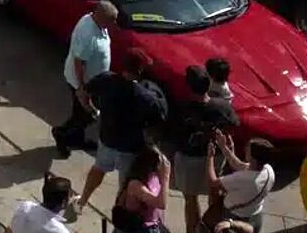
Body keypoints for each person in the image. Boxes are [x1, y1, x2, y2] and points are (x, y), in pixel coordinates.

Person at [79, 50, 170, 213]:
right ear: (140, 70)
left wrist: (93, 111)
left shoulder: (106, 79)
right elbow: (158, 122)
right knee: (127, 186)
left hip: (107, 140)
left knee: (98, 169)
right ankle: (120, 216)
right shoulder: (146, 97)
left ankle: (82, 201)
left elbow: (83, 93)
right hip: (130, 149)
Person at [172, 65, 239, 233]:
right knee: (215, 196)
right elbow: (234, 125)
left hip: (188, 161)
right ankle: (212, 227)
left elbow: (170, 134)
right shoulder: (223, 107)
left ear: (189, 86)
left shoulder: (181, 108)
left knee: (190, 198)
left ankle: (192, 230)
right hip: (215, 158)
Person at [52, 1, 117, 157]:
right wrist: (82, 88)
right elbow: (79, 62)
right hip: (84, 83)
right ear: (100, 17)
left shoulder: (96, 22)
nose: (114, 24)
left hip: (93, 82)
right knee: (87, 115)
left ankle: (77, 139)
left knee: (80, 112)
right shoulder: (88, 34)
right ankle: (62, 134)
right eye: (111, 20)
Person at [206, 137, 276, 233]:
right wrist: (223, 147)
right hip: (255, 215)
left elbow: (213, 182)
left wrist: (210, 157)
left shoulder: (243, 179)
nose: (245, 149)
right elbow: (238, 165)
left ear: (253, 159)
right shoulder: (268, 170)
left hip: (235, 217)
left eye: (248, 149)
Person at [110, 146, 171, 233]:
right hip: (138, 227)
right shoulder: (135, 185)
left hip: (154, 225)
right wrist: (165, 177)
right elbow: (161, 204)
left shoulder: (155, 178)